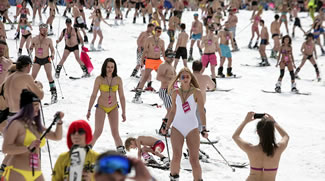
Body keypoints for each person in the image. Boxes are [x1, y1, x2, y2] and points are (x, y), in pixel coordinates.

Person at [2, 89, 64, 180]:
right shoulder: (16, 124)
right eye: (35, 105)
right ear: (27, 107)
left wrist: (59, 122)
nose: (38, 108)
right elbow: (6, 148)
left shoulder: (36, 126)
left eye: (38, 105)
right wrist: (27, 148)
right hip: (18, 171)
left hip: (37, 172)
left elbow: (56, 137)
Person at [161, 68, 208, 181]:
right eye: (183, 77)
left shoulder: (197, 92)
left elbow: (201, 111)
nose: (185, 79)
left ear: (191, 78)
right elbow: (172, 111)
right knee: (177, 156)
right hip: (177, 127)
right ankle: (174, 178)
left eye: (188, 76)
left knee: (194, 159)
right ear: (179, 79)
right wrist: (167, 126)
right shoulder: (175, 92)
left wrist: (204, 128)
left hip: (192, 127)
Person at [232, 112, 289, 181]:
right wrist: (274, 122)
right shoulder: (278, 149)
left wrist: (245, 121)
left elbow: (235, 136)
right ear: (272, 132)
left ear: (257, 132)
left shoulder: (250, 149)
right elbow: (286, 136)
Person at [87, 58, 126, 154]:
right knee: (98, 131)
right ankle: (86, 150)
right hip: (101, 106)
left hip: (113, 107)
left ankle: (121, 153)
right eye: (108, 67)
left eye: (112, 67)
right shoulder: (99, 79)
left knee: (115, 132)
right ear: (104, 67)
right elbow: (93, 95)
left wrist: (124, 112)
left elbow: (121, 96)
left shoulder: (118, 79)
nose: (110, 69)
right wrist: (89, 109)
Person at [132, 26, 166, 103]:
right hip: (150, 60)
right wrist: (142, 60)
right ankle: (137, 96)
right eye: (158, 31)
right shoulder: (149, 39)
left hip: (158, 61)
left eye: (160, 31)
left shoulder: (162, 41)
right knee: (145, 77)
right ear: (154, 31)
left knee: (164, 77)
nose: (159, 33)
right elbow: (145, 51)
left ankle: (166, 95)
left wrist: (167, 61)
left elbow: (163, 53)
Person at [29, 23, 58, 104]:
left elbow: (52, 49)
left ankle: (54, 93)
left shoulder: (49, 39)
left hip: (46, 59)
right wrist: (30, 49)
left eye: (46, 30)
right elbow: (31, 46)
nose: (45, 32)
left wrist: (52, 55)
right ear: (40, 30)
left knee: (49, 75)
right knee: (32, 76)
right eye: (43, 30)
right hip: (37, 59)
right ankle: (28, 93)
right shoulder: (34, 39)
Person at [156, 50, 176, 135]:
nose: (171, 58)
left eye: (173, 56)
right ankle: (163, 129)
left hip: (171, 91)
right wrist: (169, 79)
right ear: (165, 57)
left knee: (174, 110)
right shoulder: (163, 65)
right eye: (169, 56)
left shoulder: (171, 66)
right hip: (165, 90)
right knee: (171, 110)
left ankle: (167, 127)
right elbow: (158, 77)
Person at [192, 60, 215, 131]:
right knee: (199, 120)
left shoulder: (188, 76)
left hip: (189, 102)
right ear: (201, 68)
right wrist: (206, 86)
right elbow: (213, 87)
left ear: (192, 68)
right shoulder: (205, 77)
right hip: (200, 103)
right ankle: (197, 135)